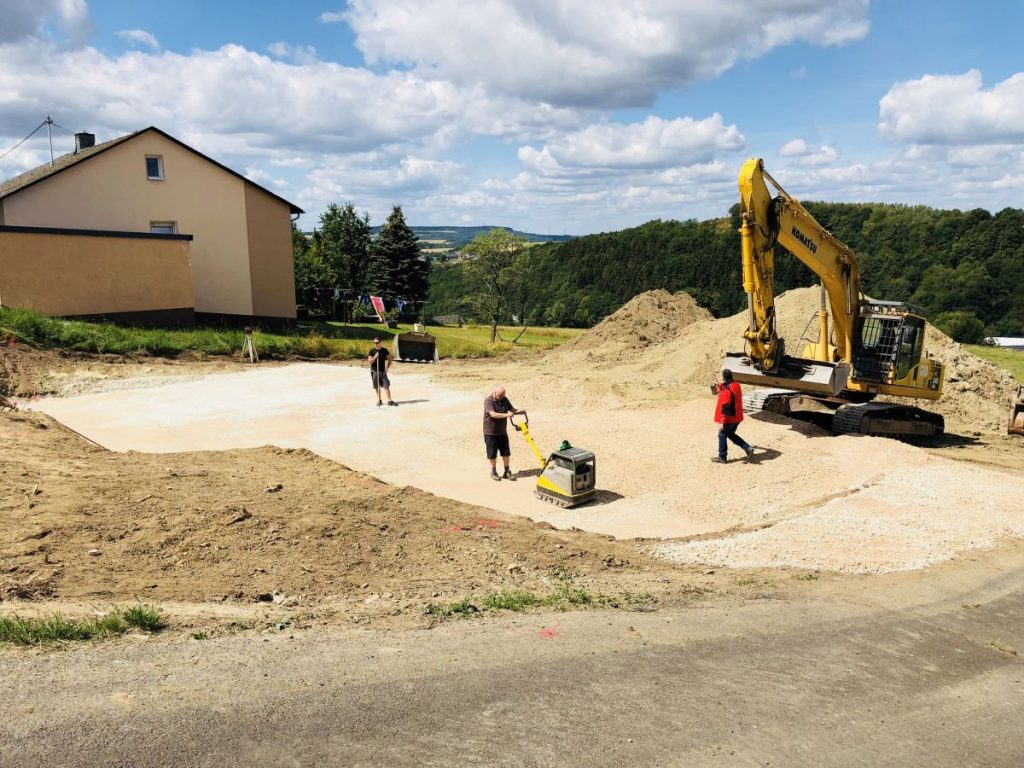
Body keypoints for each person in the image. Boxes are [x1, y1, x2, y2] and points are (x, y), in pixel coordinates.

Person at [712, 369, 754, 463]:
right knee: (730, 434)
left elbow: (726, 407)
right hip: (737, 417)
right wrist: (720, 386)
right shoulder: (736, 385)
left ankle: (722, 457)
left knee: (722, 434)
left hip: (730, 418)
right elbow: (729, 389)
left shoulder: (727, 390)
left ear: (723, 377)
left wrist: (722, 422)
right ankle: (748, 448)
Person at [483, 384, 524, 481]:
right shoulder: (488, 401)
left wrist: (520, 411)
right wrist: (507, 415)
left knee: (506, 452)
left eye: (503, 395)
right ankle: (493, 472)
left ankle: (507, 471)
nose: (501, 397)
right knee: (492, 454)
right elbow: (492, 414)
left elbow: (512, 410)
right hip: (491, 432)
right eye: (500, 395)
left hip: (502, 432)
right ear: (495, 392)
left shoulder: (504, 399)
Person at [368, 337, 397, 407]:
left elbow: (390, 359)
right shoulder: (372, 351)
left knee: (386, 385)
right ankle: (379, 400)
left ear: (380, 343)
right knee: (376, 386)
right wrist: (375, 357)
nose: (375, 344)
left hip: (382, 371)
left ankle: (390, 400)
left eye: (377, 342)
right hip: (374, 371)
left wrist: (387, 368)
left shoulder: (384, 350)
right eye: (374, 343)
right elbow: (370, 361)